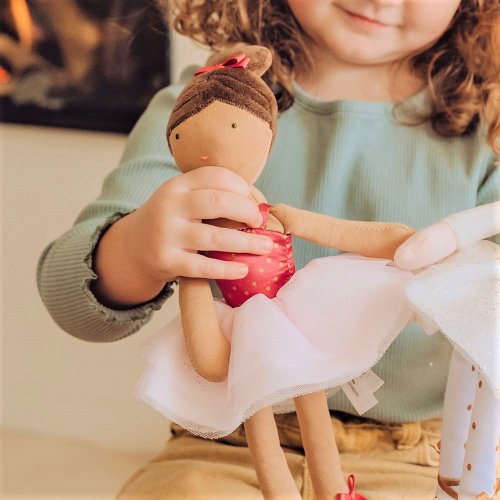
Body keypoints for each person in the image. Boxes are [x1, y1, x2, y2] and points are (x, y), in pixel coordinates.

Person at [36, 0, 500, 498]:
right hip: (224, 442)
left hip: (418, 456)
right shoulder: (207, 101)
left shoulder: (489, 125)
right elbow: (69, 300)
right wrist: (138, 248)